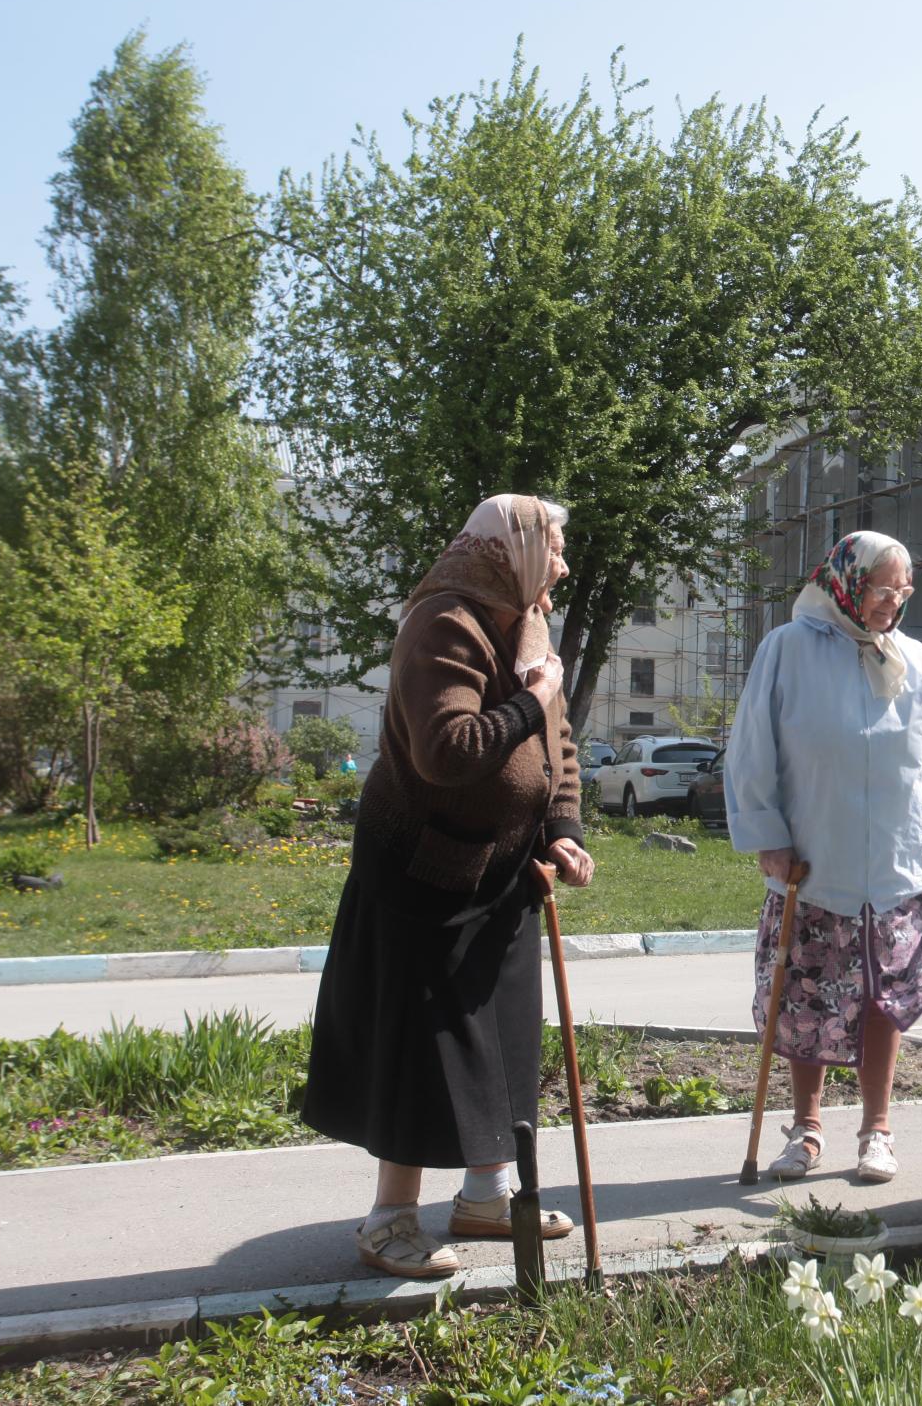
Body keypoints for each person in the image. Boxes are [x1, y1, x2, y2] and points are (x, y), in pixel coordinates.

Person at [302, 494, 595, 1280]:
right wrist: (527, 699)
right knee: (420, 1050)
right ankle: (390, 1217)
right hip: (422, 872)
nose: (562, 565)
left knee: (497, 1039)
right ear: (515, 549)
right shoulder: (445, 622)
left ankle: (484, 1198)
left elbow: (557, 740)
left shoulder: (524, 621)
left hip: (501, 870)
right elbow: (447, 751)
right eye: (555, 549)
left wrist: (562, 827)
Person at [726, 531, 922, 1185]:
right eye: (883, 588)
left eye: (902, 590)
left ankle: (876, 1131)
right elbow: (753, 748)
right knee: (804, 1000)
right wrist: (768, 837)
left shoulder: (914, 660)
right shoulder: (789, 649)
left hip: (896, 864)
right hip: (814, 864)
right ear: (847, 583)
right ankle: (806, 1128)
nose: (894, 602)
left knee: (884, 1002)